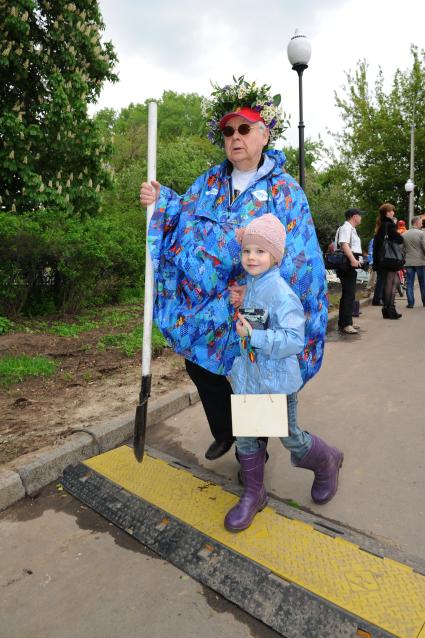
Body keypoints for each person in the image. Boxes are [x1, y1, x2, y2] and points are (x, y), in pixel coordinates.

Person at [139, 76, 328, 464]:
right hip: (211, 303)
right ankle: (226, 430)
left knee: (254, 377)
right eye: (228, 130)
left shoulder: (286, 191)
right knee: (197, 359)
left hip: (254, 302)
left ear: (264, 135)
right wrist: (160, 200)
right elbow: (182, 216)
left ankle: (254, 459)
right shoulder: (208, 181)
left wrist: (258, 289)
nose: (235, 137)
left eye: (244, 128)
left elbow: (300, 255)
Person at [224, 215, 343, 532]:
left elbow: (294, 340)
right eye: (247, 250)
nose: (251, 257)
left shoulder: (280, 292)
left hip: (276, 383)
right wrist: (240, 300)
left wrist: (254, 337)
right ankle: (254, 493)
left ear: (275, 256)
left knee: (290, 437)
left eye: (260, 252)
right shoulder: (251, 285)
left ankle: (327, 460)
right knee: (246, 437)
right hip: (249, 379)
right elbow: (253, 317)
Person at [335, 208, 364, 334]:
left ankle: (346, 322)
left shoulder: (351, 229)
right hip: (346, 264)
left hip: (349, 263)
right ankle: (346, 324)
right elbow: (344, 244)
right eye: (360, 215)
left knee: (349, 293)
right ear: (354, 216)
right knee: (349, 293)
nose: (361, 218)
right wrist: (352, 259)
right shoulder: (346, 227)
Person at [372, 203, 404, 319]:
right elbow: (399, 239)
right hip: (390, 260)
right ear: (386, 213)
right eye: (391, 211)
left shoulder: (381, 225)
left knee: (393, 282)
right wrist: (397, 229)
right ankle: (389, 309)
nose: (393, 213)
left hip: (383, 259)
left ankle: (388, 308)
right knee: (391, 283)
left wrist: (376, 263)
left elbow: (376, 246)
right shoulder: (389, 225)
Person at [402, 215, 425, 308]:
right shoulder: (422, 233)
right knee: (423, 283)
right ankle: (424, 302)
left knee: (409, 283)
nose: (421, 224)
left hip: (408, 262)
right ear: (416, 222)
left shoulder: (404, 234)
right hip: (421, 262)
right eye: (420, 222)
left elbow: (402, 249)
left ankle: (410, 303)